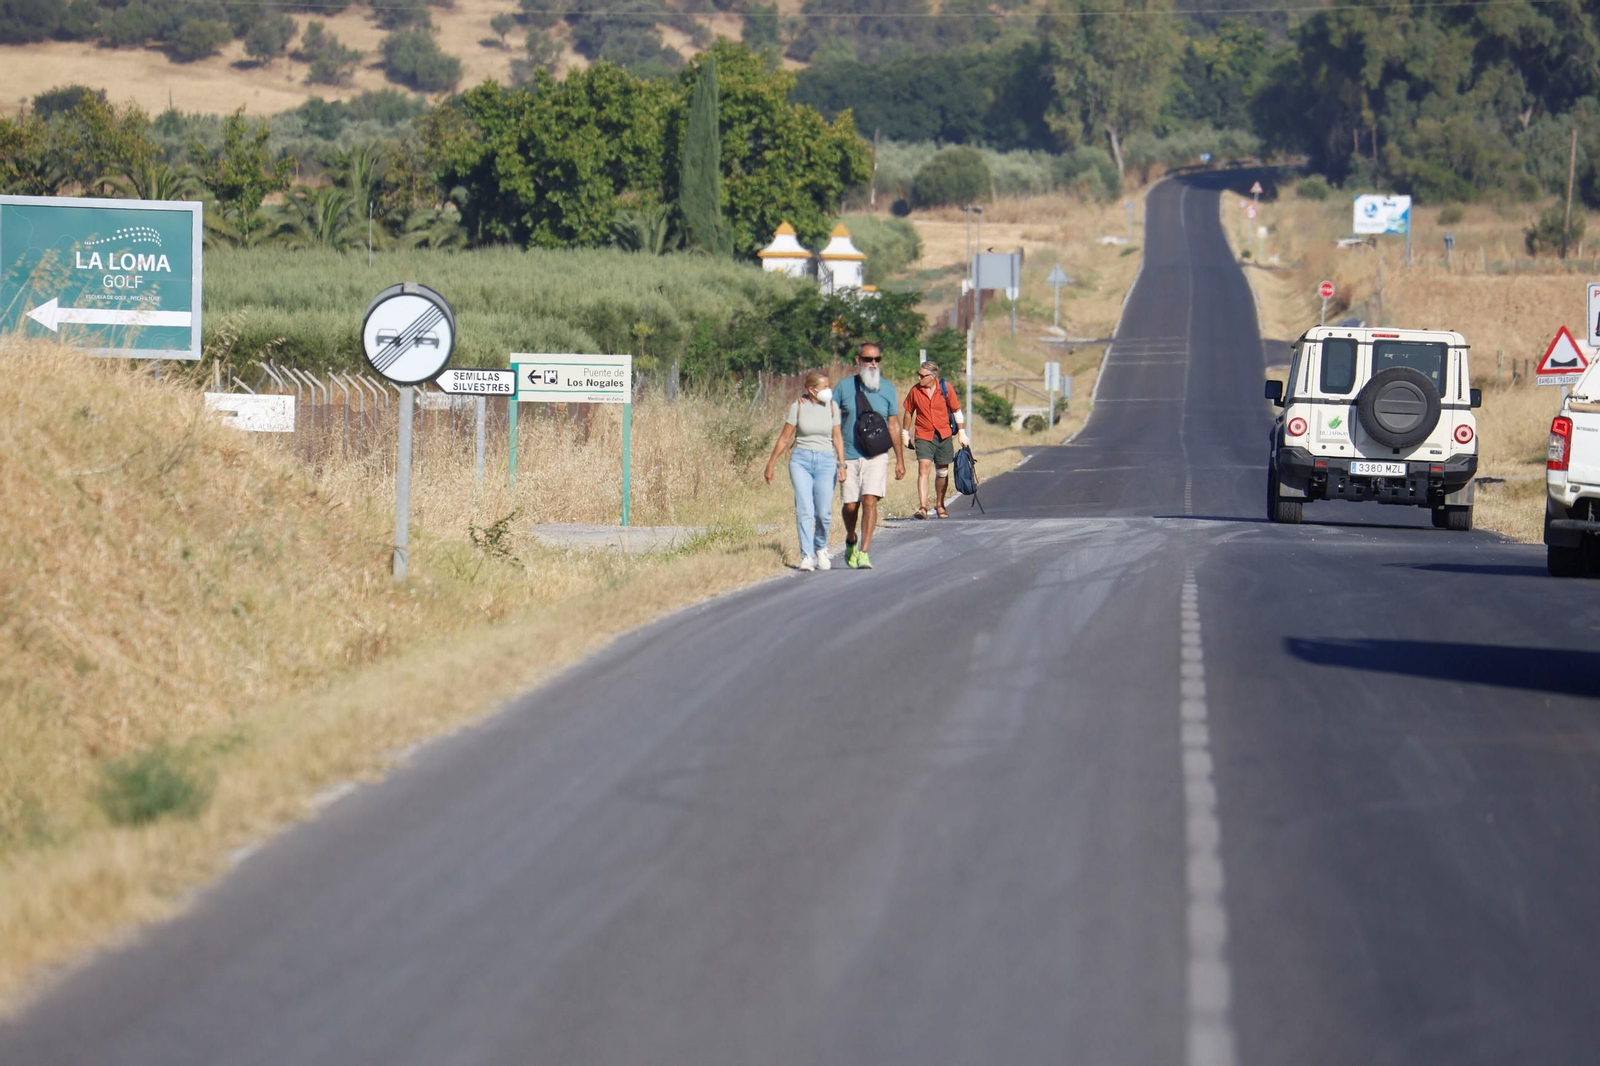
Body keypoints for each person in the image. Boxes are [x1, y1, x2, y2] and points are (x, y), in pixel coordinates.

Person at [764, 370, 846, 571]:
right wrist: (771, 463)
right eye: (824, 387)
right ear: (812, 390)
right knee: (804, 509)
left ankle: (820, 547)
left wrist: (842, 464)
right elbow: (785, 437)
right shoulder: (797, 407)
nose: (829, 390)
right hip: (801, 461)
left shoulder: (832, 407)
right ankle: (806, 555)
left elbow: (837, 437)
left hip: (826, 461)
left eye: (829, 386)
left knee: (824, 512)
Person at [835, 343, 905, 569]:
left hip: (877, 456)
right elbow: (832, 420)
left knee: (869, 500)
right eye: (867, 359)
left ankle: (864, 551)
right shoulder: (844, 387)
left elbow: (893, 425)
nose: (873, 363)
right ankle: (851, 539)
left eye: (876, 359)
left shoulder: (887, 388)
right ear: (858, 361)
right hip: (849, 455)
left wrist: (900, 460)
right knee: (850, 506)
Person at [901, 359, 969, 519]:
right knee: (923, 468)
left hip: (943, 434)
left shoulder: (946, 389)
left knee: (942, 472)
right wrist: (905, 432)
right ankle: (923, 508)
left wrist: (961, 432)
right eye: (918, 375)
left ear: (932, 376)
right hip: (923, 435)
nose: (918, 378)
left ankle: (940, 504)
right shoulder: (915, 391)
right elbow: (908, 411)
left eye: (921, 375)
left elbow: (956, 410)